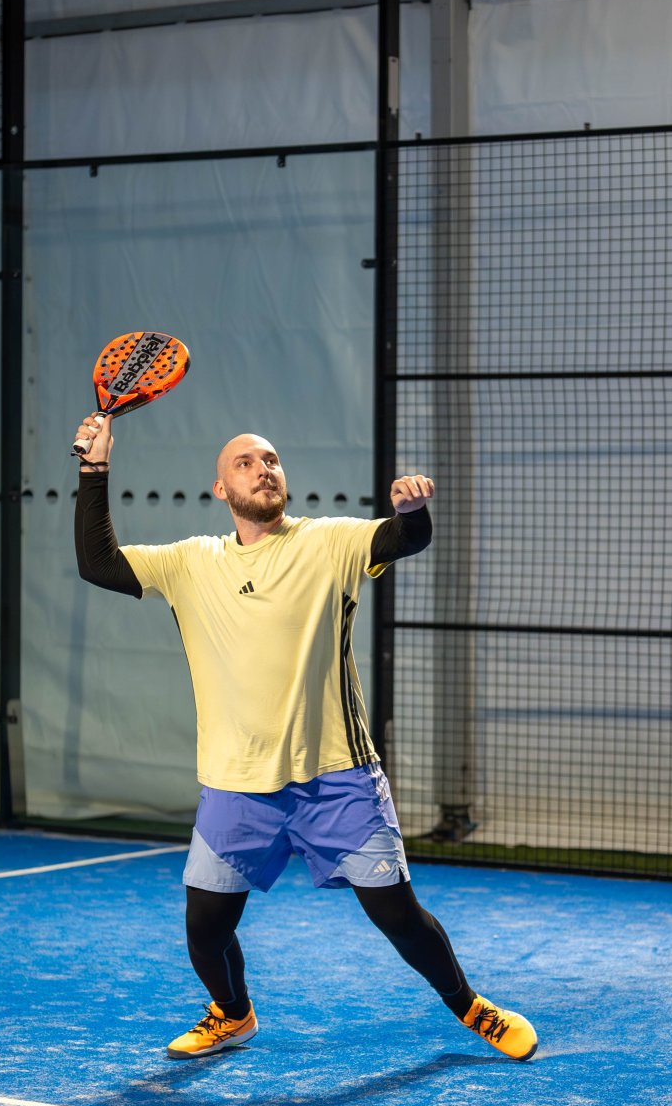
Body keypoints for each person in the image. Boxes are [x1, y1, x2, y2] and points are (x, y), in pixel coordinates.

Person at [73, 416, 537, 1063]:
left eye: (271, 459)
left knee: (398, 916)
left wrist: (414, 510)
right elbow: (98, 563)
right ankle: (232, 1014)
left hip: (339, 778)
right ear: (220, 488)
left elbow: (405, 537)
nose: (263, 468)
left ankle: (470, 1006)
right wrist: (93, 468)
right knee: (204, 930)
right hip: (236, 785)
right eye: (245, 463)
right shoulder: (190, 563)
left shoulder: (328, 543)